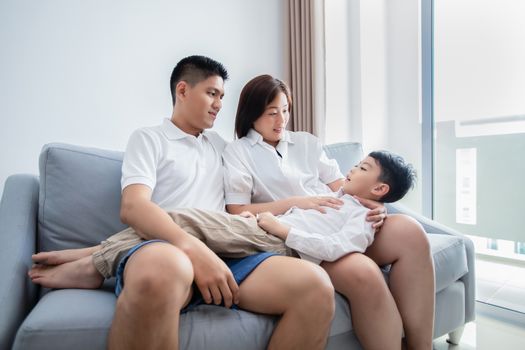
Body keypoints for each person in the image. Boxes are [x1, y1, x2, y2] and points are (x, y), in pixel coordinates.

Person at [29, 57, 336, 350]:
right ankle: (103, 259)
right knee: (163, 270)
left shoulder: (223, 147)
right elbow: (133, 207)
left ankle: (97, 257)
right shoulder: (150, 139)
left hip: (229, 252)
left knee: (315, 287)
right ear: (183, 90)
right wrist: (194, 250)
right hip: (165, 249)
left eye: (222, 96)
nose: (219, 104)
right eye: (212, 93)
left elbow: (251, 197)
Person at [221, 74, 435, 350]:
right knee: (364, 273)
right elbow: (237, 210)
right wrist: (298, 202)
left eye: (285, 110)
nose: (281, 120)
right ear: (252, 114)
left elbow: (346, 186)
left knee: (411, 232)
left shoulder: (307, 142)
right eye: (272, 113)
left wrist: (377, 208)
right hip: (304, 230)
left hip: (341, 216)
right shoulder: (238, 152)